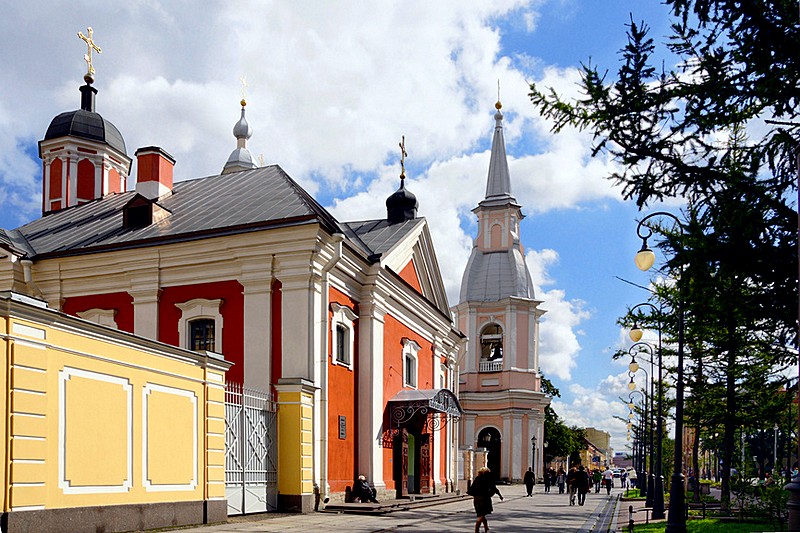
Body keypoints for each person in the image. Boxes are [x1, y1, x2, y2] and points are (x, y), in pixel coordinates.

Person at [468, 467, 503, 533]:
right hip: (484, 499)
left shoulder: (477, 478)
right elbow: (494, 488)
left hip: (476, 499)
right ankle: (476, 529)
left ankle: (486, 527)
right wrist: (500, 495)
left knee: (480, 514)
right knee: (481, 515)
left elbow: (472, 488)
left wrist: (475, 495)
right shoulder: (488, 478)